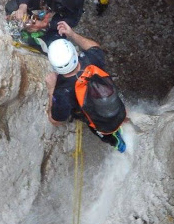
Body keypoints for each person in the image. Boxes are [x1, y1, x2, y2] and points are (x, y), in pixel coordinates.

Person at [45, 21, 126, 152]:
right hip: (116, 106)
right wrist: (72, 34)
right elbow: (95, 47)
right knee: (111, 114)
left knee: (106, 134)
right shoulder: (92, 59)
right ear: (75, 54)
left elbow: (55, 120)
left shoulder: (62, 93)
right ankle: (121, 123)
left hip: (100, 123)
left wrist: (50, 90)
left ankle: (117, 143)